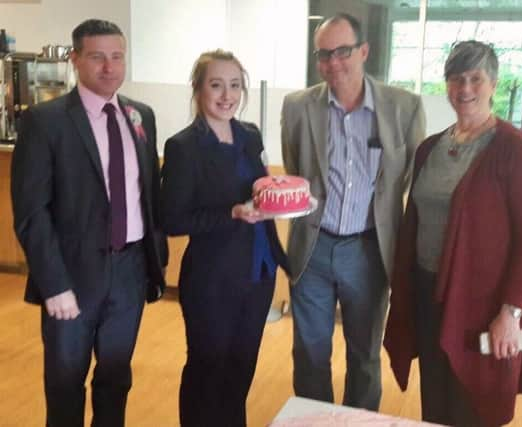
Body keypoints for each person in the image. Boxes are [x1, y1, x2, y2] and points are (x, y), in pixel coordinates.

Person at [11, 19, 168, 427]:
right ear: (75, 58)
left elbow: (148, 193)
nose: (109, 67)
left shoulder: (141, 116)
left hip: (130, 271)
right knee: (65, 385)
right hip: (72, 276)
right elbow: (31, 212)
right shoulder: (45, 121)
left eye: (117, 56)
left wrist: (155, 261)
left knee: (116, 379)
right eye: (97, 56)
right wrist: (54, 283)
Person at [383, 40, 522, 427]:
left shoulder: (517, 152)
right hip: (429, 292)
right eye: (456, 79)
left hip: (484, 303)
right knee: (436, 396)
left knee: (477, 402)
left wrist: (511, 313)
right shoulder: (429, 149)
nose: (465, 89)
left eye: (475, 78)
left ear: (494, 84)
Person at [281, 13, 425, 410]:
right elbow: (297, 173)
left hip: (369, 250)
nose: (333, 63)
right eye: (323, 54)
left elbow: (409, 179)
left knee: (364, 354)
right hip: (313, 248)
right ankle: (313, 419)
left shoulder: (404, 108)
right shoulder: (297, 108)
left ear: (364, 51)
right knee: (309, 354)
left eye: (343, 51)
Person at [160, 49, 288, 427]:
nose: (226, 94)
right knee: (207, 368)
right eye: (216, 85)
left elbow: (261, 186)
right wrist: (230, 213)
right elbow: (172, 219)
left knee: (241, 369)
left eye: (234, 85)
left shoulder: (249, 134)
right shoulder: (183, 146)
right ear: (198, 90)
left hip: (259, 273)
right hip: (211, 280)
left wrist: (277, 196)